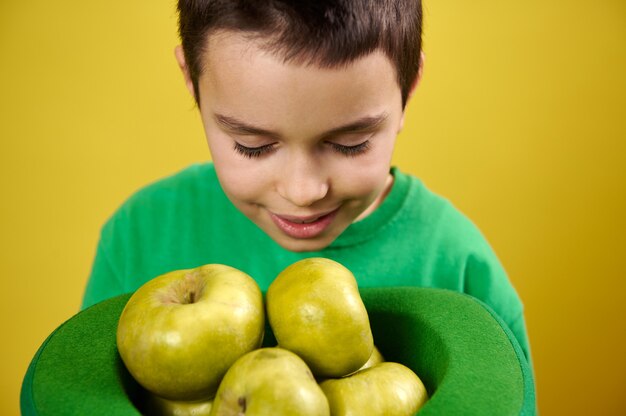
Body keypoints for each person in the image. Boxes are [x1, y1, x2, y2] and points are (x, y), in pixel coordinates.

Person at [81, 0, 532, 365]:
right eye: (252, 146)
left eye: (351, 143)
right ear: (192, 81)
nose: (302, 192)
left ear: (408, 90)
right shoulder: (139, 237)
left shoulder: (459, 269)